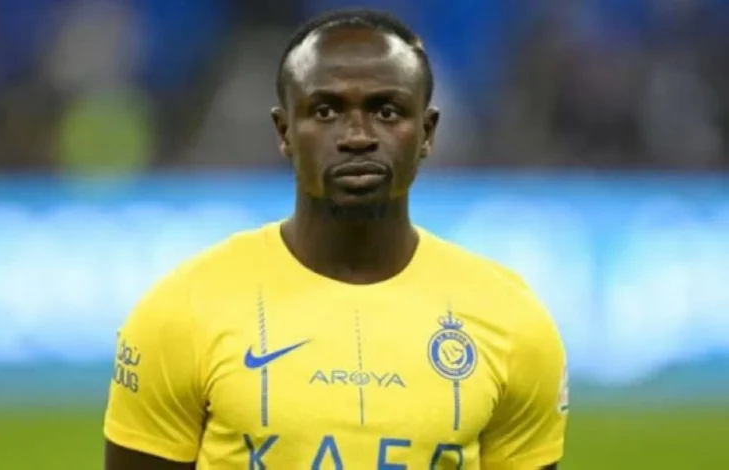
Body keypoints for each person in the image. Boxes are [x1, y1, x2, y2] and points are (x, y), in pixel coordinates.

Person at [103, 8, 568, 470]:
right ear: (285, 132)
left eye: (386, 111)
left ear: (426, 132)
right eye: (325, 111)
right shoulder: (183, 312)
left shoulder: (512, 323)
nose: (357, 136)